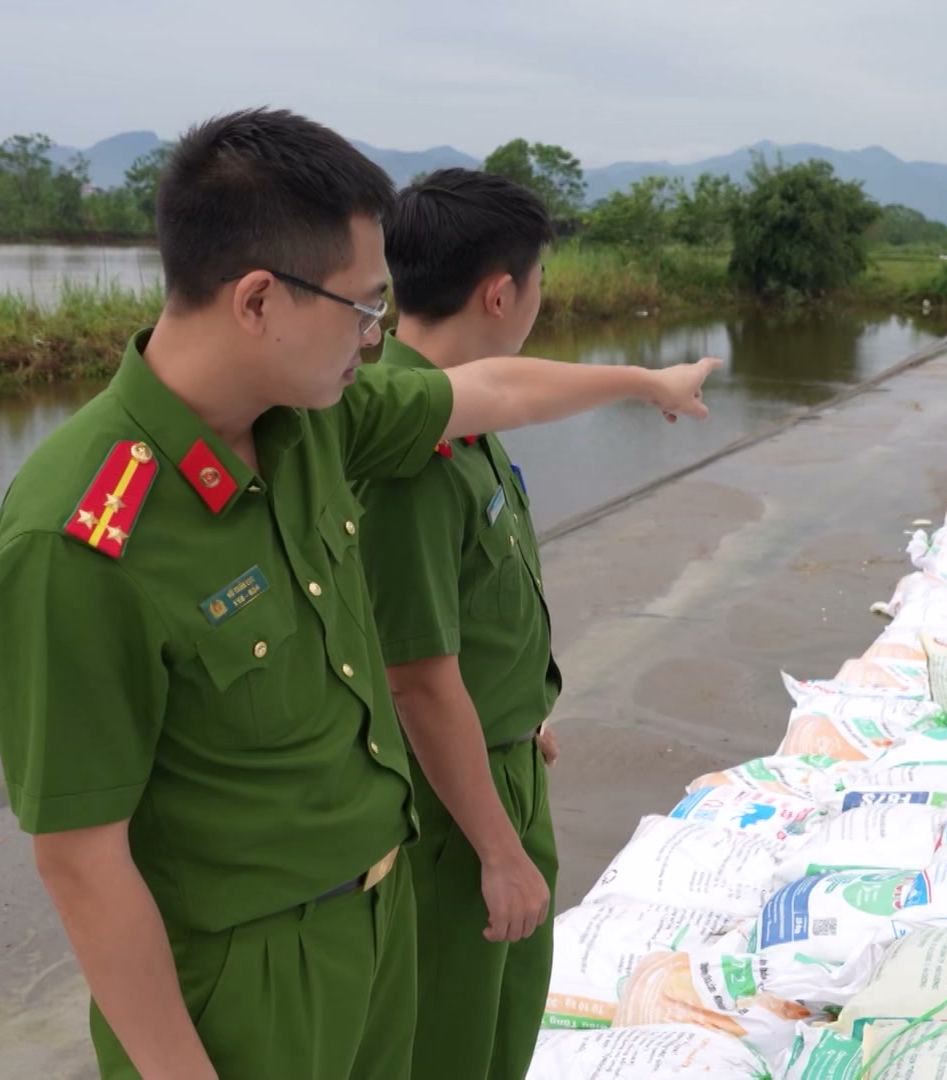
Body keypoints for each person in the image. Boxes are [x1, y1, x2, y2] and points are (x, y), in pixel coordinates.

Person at [0, 109, 717, 1080]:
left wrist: (640, 379)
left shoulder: (312, 424)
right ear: (256, 302)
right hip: (246, 983)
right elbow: (80, 857)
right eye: (365, 310)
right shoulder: (79, 536)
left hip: (380, 918)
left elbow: (491, 393)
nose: (377, 339)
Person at [354, 167, 656, 1079]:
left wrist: (523, 715)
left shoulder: (461, 419)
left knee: (505, 1023)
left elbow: (476, 620)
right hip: (451, 815)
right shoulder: (413, 455)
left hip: (503, 762)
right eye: (538, 284)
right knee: (452, 1040)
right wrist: (496, 848)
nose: (540, 302)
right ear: (500, 292)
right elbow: (414, 675)